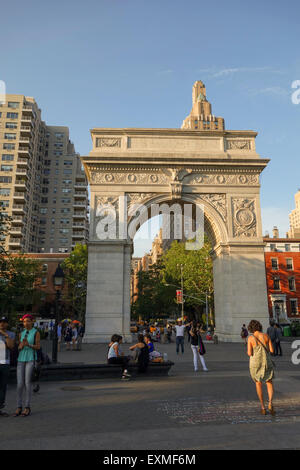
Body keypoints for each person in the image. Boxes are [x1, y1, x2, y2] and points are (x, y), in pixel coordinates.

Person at [14, 314, 40, 417]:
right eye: (24, 321)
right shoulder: (21, 333)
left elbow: (38, 347)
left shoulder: (36, 332)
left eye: (28, 321)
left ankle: (27, 406)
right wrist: (20, 346)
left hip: (30, 359)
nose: (26, 323)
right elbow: (19, 348)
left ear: (32, 322)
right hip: (21, 359)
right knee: (19, 384)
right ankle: (19, 406)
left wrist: (28, 345)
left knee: (27, 383)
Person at [247, 319, 275, 416]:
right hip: (266, 362)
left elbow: (249, 353)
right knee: (269, 381)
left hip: (255, 363)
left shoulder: (250, 338)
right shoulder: (266, 336)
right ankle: (270, 403)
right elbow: (271, 350)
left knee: (258, 383)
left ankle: (263, 407)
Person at [0, 316, 15, 417]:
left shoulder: (11, 334)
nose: (2, 324)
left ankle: (0, 408)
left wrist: (5, 335)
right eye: (0, 322)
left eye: (4, 322)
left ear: (7, 324)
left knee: (2, 387)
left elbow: (11, 346)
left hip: (4, 362)